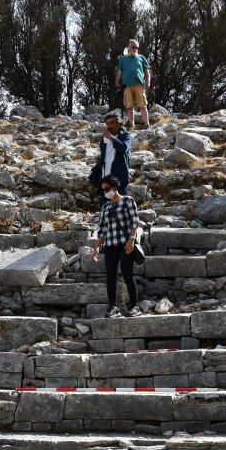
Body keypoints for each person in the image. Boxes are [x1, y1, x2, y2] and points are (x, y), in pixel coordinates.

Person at [92, 175, 140, 318]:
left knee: (127, 274)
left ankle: (134, 306)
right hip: (110, 245)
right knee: (111, 277)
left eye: (107, 189)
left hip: (125, 244)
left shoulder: (128, 200)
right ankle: (113, 307)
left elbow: (135, 221)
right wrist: (97, 247)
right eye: (103, 190)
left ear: (115, 187)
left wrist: (132, 240)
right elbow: (102, 228)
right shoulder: (105, 206)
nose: (105, 192)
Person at [90, 113, 131, 206]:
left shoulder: (125, 135)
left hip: (118, 179)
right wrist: (100, 159)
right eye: (107, 123)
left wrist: (110, 137)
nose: (109, 126)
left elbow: (124, 148)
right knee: (104, 208)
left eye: (112, 123)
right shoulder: (104, 139)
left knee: (121, 208)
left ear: (119, 124)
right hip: (104, 179)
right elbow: (106, 155)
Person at [115, 40, 151, 129]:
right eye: (133, 47)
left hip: (139, 85)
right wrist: (117, 82)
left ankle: (147, 124)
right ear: (128, 47)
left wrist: (148, 82)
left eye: (137, 47)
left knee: (142, 105)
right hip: (127, 86)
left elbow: (147, 72)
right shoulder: (123, 59)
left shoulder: (141, 58)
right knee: (129, 106)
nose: (135, 49)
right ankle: (132, 125)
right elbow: (119, 72)